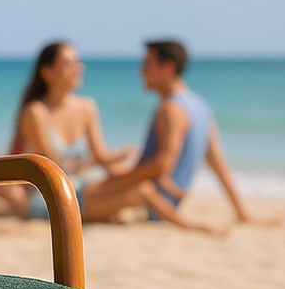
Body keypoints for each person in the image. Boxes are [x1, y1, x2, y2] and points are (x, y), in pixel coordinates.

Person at [80, 39, 264, 233]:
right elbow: (219, 164)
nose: (141, 71)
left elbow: (161, 165)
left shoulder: (171, 109)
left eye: (147, 65)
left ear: (167, 67)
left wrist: (111, 184)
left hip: (151, 202)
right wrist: (242, 212)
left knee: (78, 200)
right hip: (170, 201)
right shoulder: (200, 106)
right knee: (110, 171)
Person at [6, 41, 135, 218]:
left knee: (133, 182)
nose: (78, 68)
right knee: (135, 193)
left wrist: (124, 156)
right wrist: (90, 165)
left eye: (78, 62)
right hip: (53, 195)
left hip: (82, 183)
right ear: (47, 72)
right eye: (68, 63)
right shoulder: (36, 112)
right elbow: (52, 166)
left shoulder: (87, 107)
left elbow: (101, 156)